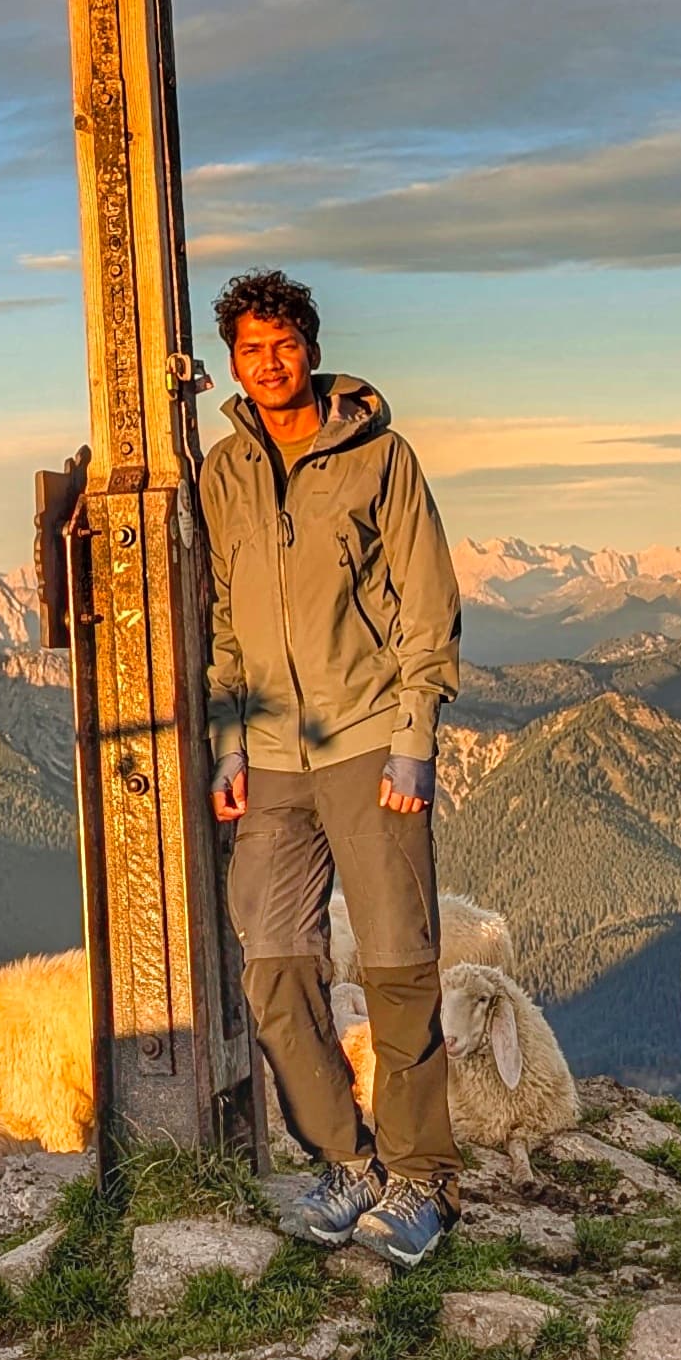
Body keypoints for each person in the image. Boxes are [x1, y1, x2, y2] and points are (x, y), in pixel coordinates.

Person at [200, 267, 463, 1265]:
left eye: (283, 344)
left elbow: (427, 602)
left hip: (367, 738)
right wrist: (229, 740)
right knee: (273, 966)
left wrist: (414, 738)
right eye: (251, 350)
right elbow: (224, 619)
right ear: (234, 364)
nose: (269, 363)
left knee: (398, 965)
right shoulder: (226, 472)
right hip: (269, 755)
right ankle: (346, 1159)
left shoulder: (379, 456)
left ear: (311, 348)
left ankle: (422, 1178)